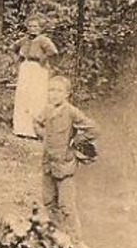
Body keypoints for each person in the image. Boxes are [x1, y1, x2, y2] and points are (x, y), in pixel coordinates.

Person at [33, 73, 96, 238]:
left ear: (66, 94)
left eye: (58, 90)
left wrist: (75, 142)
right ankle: (57, 237)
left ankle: (75, 241)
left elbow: (93, 129)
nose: (54, 94)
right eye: (51, 90)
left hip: (65, 165)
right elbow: (37, 123)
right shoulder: (47, 110)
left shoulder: (71, 112)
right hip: (48, 164)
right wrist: (43, 135)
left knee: (66, 206)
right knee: (48, 201)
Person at [12, 15, 58, 138]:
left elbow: (53, 51)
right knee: (23, 95)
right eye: (31, 26)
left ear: (41, 28)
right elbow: (14, 48)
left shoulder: (43, 40)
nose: (33, 29)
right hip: (26, 67)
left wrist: (43, 58)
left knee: (36, 96)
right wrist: (19, 58)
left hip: (38, 69)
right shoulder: (24, 40)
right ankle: (21, 128)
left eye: (36, 26)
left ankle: (35, 130)